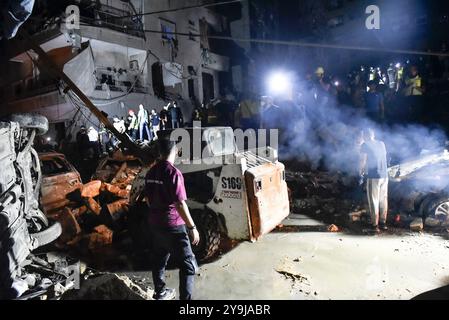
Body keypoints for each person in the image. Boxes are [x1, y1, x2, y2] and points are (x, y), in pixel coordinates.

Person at [144, 136, 200, 300]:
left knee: (160, 258)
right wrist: (192, 227)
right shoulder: (174, 173)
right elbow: (180, 204)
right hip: (173, 226)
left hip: (155, 223)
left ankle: (160, 292)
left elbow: (148, 200)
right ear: (174, 151)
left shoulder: (151, 172)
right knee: (188, 266)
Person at [360, 128, 388, 234]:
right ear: (374, 135)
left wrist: (361, 171)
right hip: (384, 175)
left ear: (365, 136)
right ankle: (383, 223)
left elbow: (363, 160)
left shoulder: (365, 145)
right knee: (383, 199)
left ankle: (374, 225)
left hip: (374, 176)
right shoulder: (381, 143)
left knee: (373, 200)